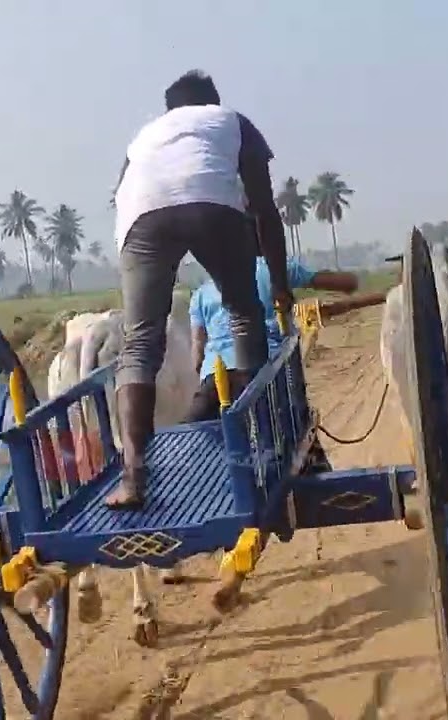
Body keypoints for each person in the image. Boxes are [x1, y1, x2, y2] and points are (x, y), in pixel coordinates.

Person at [108, 70, 292, 509]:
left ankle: (133, 478)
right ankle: (260, 444)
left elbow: (120, 195)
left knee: (139, 345)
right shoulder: (231, 121)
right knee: (245, 314)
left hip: (141, 215)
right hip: (213, 206)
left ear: (171, 109)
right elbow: (264, 211)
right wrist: (280, 285)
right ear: (213, 101)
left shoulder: (146, 137)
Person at [186, 258, 388, 472]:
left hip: (214, 382)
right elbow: (334, 282)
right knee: (295, 434)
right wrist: (353, 282)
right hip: (267, 374)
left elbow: (197, 354)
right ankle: (316, 468)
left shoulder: (201, 293)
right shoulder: (273, 269)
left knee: (196, 436)